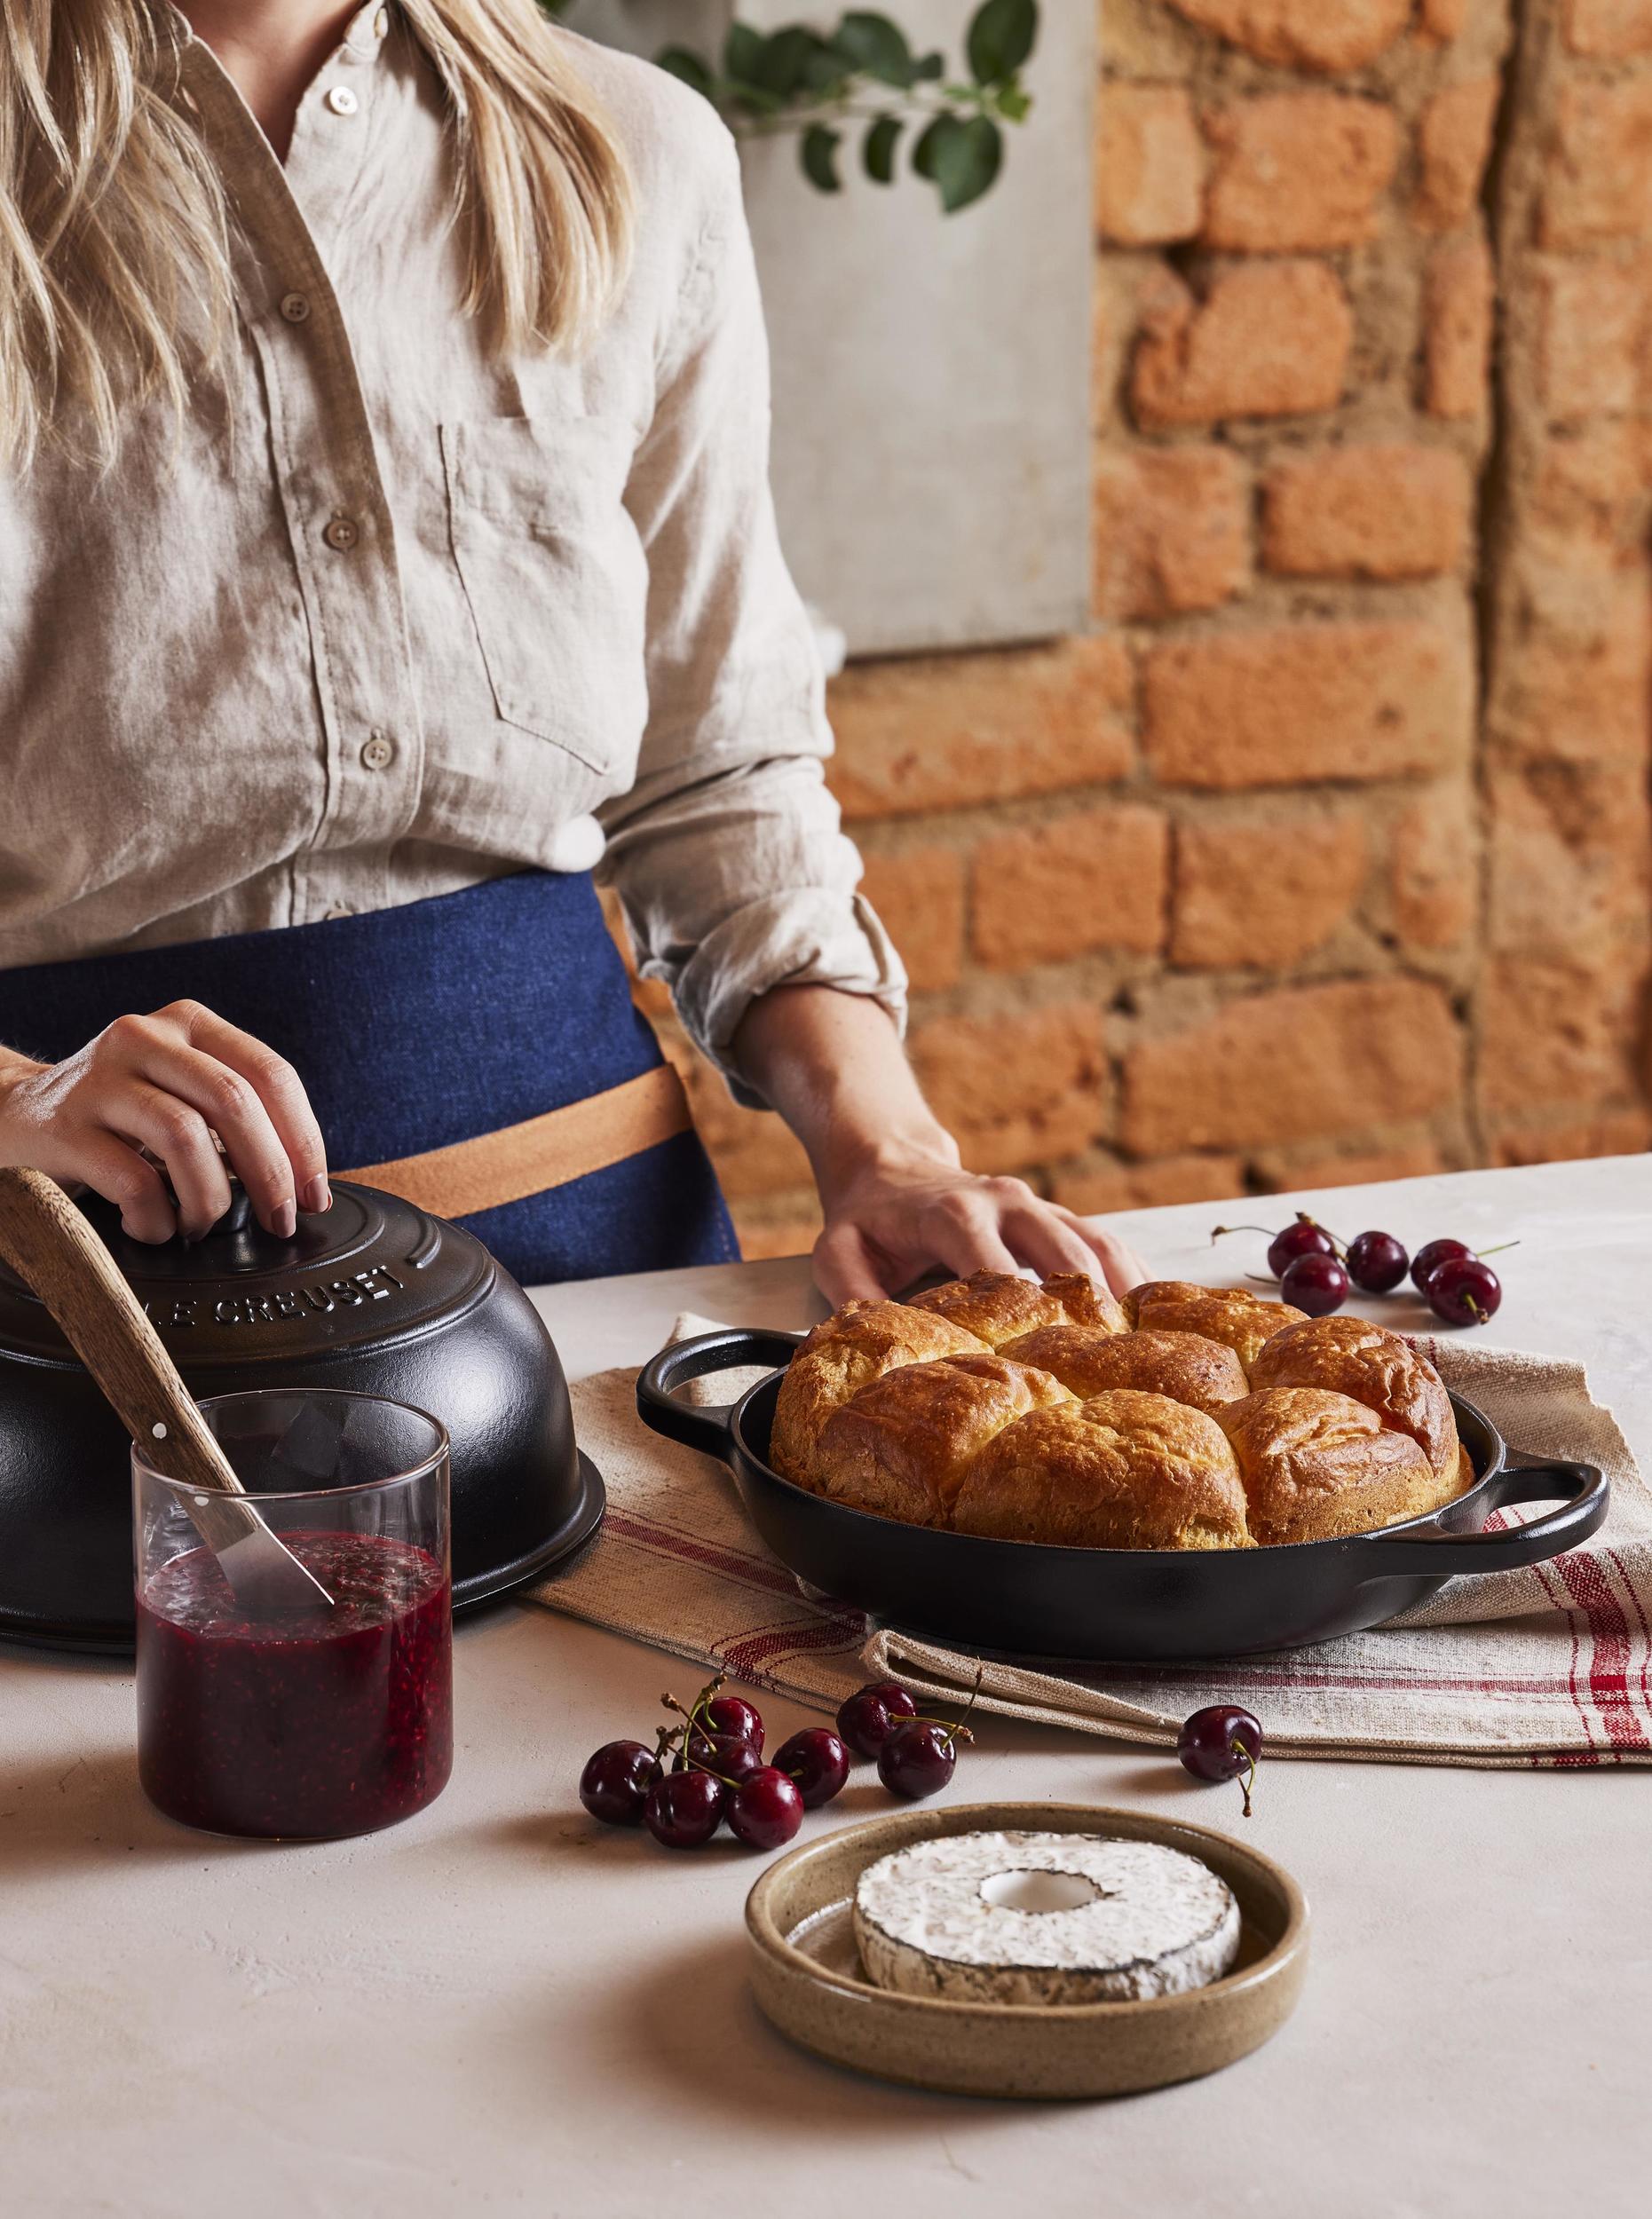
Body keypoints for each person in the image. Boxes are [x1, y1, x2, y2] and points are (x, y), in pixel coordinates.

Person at [0, 0, 1145, 1304]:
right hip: (83, 1305)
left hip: (603, 1278)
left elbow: (714, 773)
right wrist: (22, 1093)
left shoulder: (638, 149)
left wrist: (889, 1150)